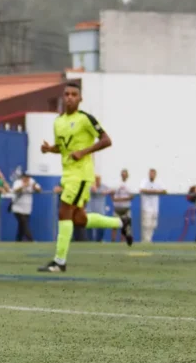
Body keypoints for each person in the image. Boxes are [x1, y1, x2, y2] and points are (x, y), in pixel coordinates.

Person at [38, 81, 132, 272]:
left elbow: (106, 140)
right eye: (67, 94)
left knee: (64, 211)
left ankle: (59, 261)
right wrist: (50, 149)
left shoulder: (85, 119)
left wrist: (84, 152)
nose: (70, 97)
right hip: (67, 173)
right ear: (63, 97)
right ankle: (121, 222)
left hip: (81, 174)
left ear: (80, 99)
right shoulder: (58, 121)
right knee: (79, 219)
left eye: (74, 94)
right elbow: (63, 147)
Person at [11, 173, 41, 242]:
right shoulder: (18, 182)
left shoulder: (32, 182)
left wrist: (34, 187)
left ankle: (18, 241)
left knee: (21, 226)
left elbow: (39, 190)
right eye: (26, 177)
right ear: (23, 177)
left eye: (28, 177)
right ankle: (31, 240)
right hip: (17, 208)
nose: (27, 179)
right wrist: (24, 186)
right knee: (24, 224)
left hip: (27, 209)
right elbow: (15, 190)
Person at [139, 168, 166, 243]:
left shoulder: (158, 183)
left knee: (153, 225)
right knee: (146, 224)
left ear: (155, 175)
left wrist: (154, 191)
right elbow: (142, 190)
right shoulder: (144, 182)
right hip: (146, 207)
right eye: (150, 173)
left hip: (155, 208)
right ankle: (145, 240)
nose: (152, 175)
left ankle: (149, 239)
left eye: (153, 174)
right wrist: (154, 191)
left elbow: (164, 191)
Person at [111, 169, 133, 243]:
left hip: (126, 208)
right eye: (122, 174)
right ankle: (113, 240)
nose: (123, 175)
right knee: (114, 225)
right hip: (117, 208)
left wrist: (121, 199)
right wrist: (115, 199)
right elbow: (112, 194)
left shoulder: (130, 185)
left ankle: (122, 241)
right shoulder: (117, 184)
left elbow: (132, 196)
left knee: (124, 225)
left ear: (127, 175)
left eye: (125, 174)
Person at [88, 175, 112, 242]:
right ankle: (90, 240)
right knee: (89, 226)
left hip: (100, 210)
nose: (97, 181)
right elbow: (92, 191)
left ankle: (99, 240)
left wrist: (106, 192)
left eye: (98, 179)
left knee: (101, 226)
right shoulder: (90, 186)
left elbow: (111, 190)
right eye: (96, 179)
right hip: (91, 210)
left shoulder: (104, 186)